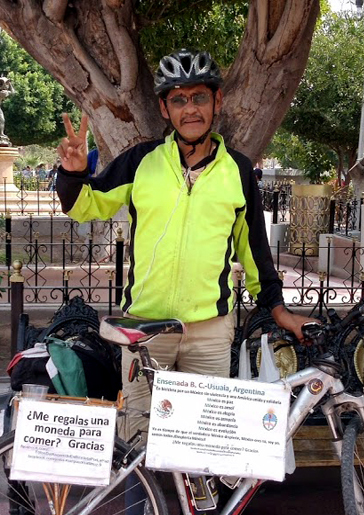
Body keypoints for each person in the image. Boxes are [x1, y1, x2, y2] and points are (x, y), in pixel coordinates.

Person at [54, 48, 314, 441]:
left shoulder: (239, 171)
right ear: (164, 108)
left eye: (199, 97)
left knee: (201, 442)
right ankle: (144, 506)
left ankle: (195, 507)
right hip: (145, 329)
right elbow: (85, 207)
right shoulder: (141, 162)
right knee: (138, 439)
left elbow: (255, 250)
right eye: (179, 99)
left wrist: (277, 309)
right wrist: (73, 176)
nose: (190, 109)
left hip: (208, 332)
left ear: (216, 102)